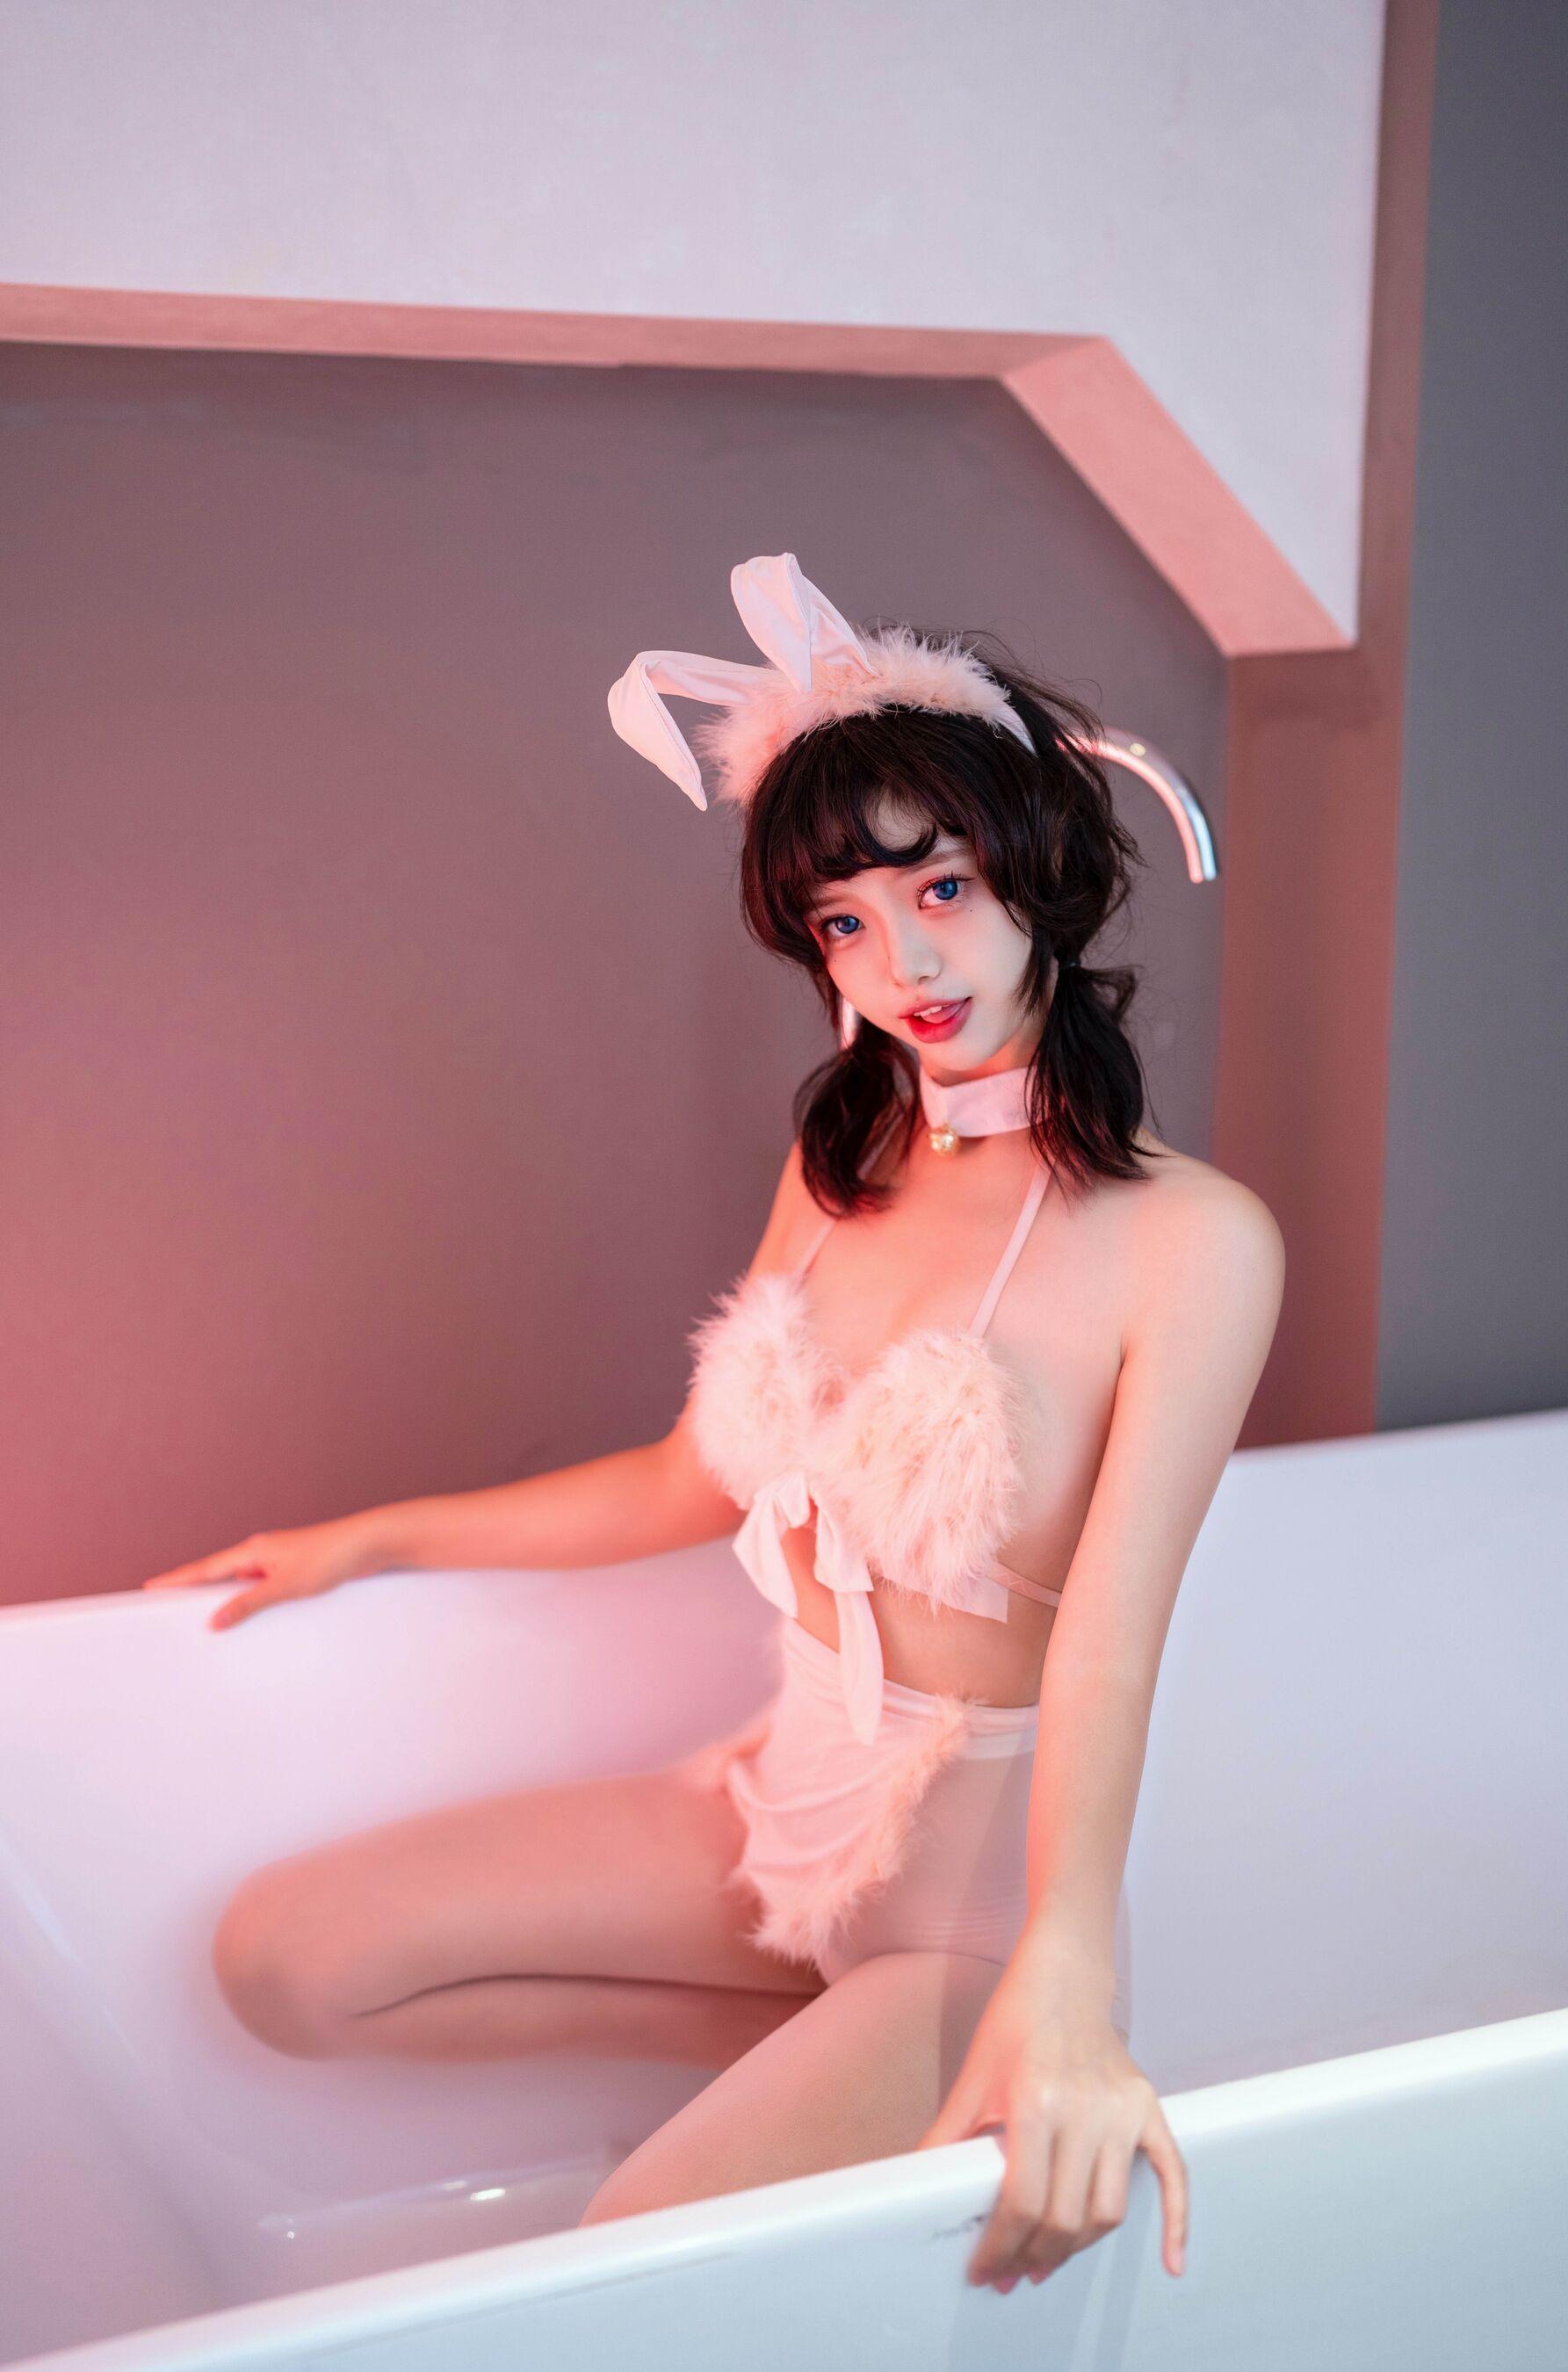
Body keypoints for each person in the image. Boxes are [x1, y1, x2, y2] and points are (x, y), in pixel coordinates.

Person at [143, 555, 1283, 2296]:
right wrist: (371, 1536)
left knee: (624, 2275)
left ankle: (902, 2071)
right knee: (286, 1962)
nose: (904, 960)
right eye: (844, 921)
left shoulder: (1192, 1241)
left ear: (1037, 870)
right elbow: (694, 1475)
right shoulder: (848, 1168)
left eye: (942, 885)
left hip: (972, 1908)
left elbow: (1111, 1650)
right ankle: (819, 2084)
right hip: (781, 1811)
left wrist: (1069, 1979)